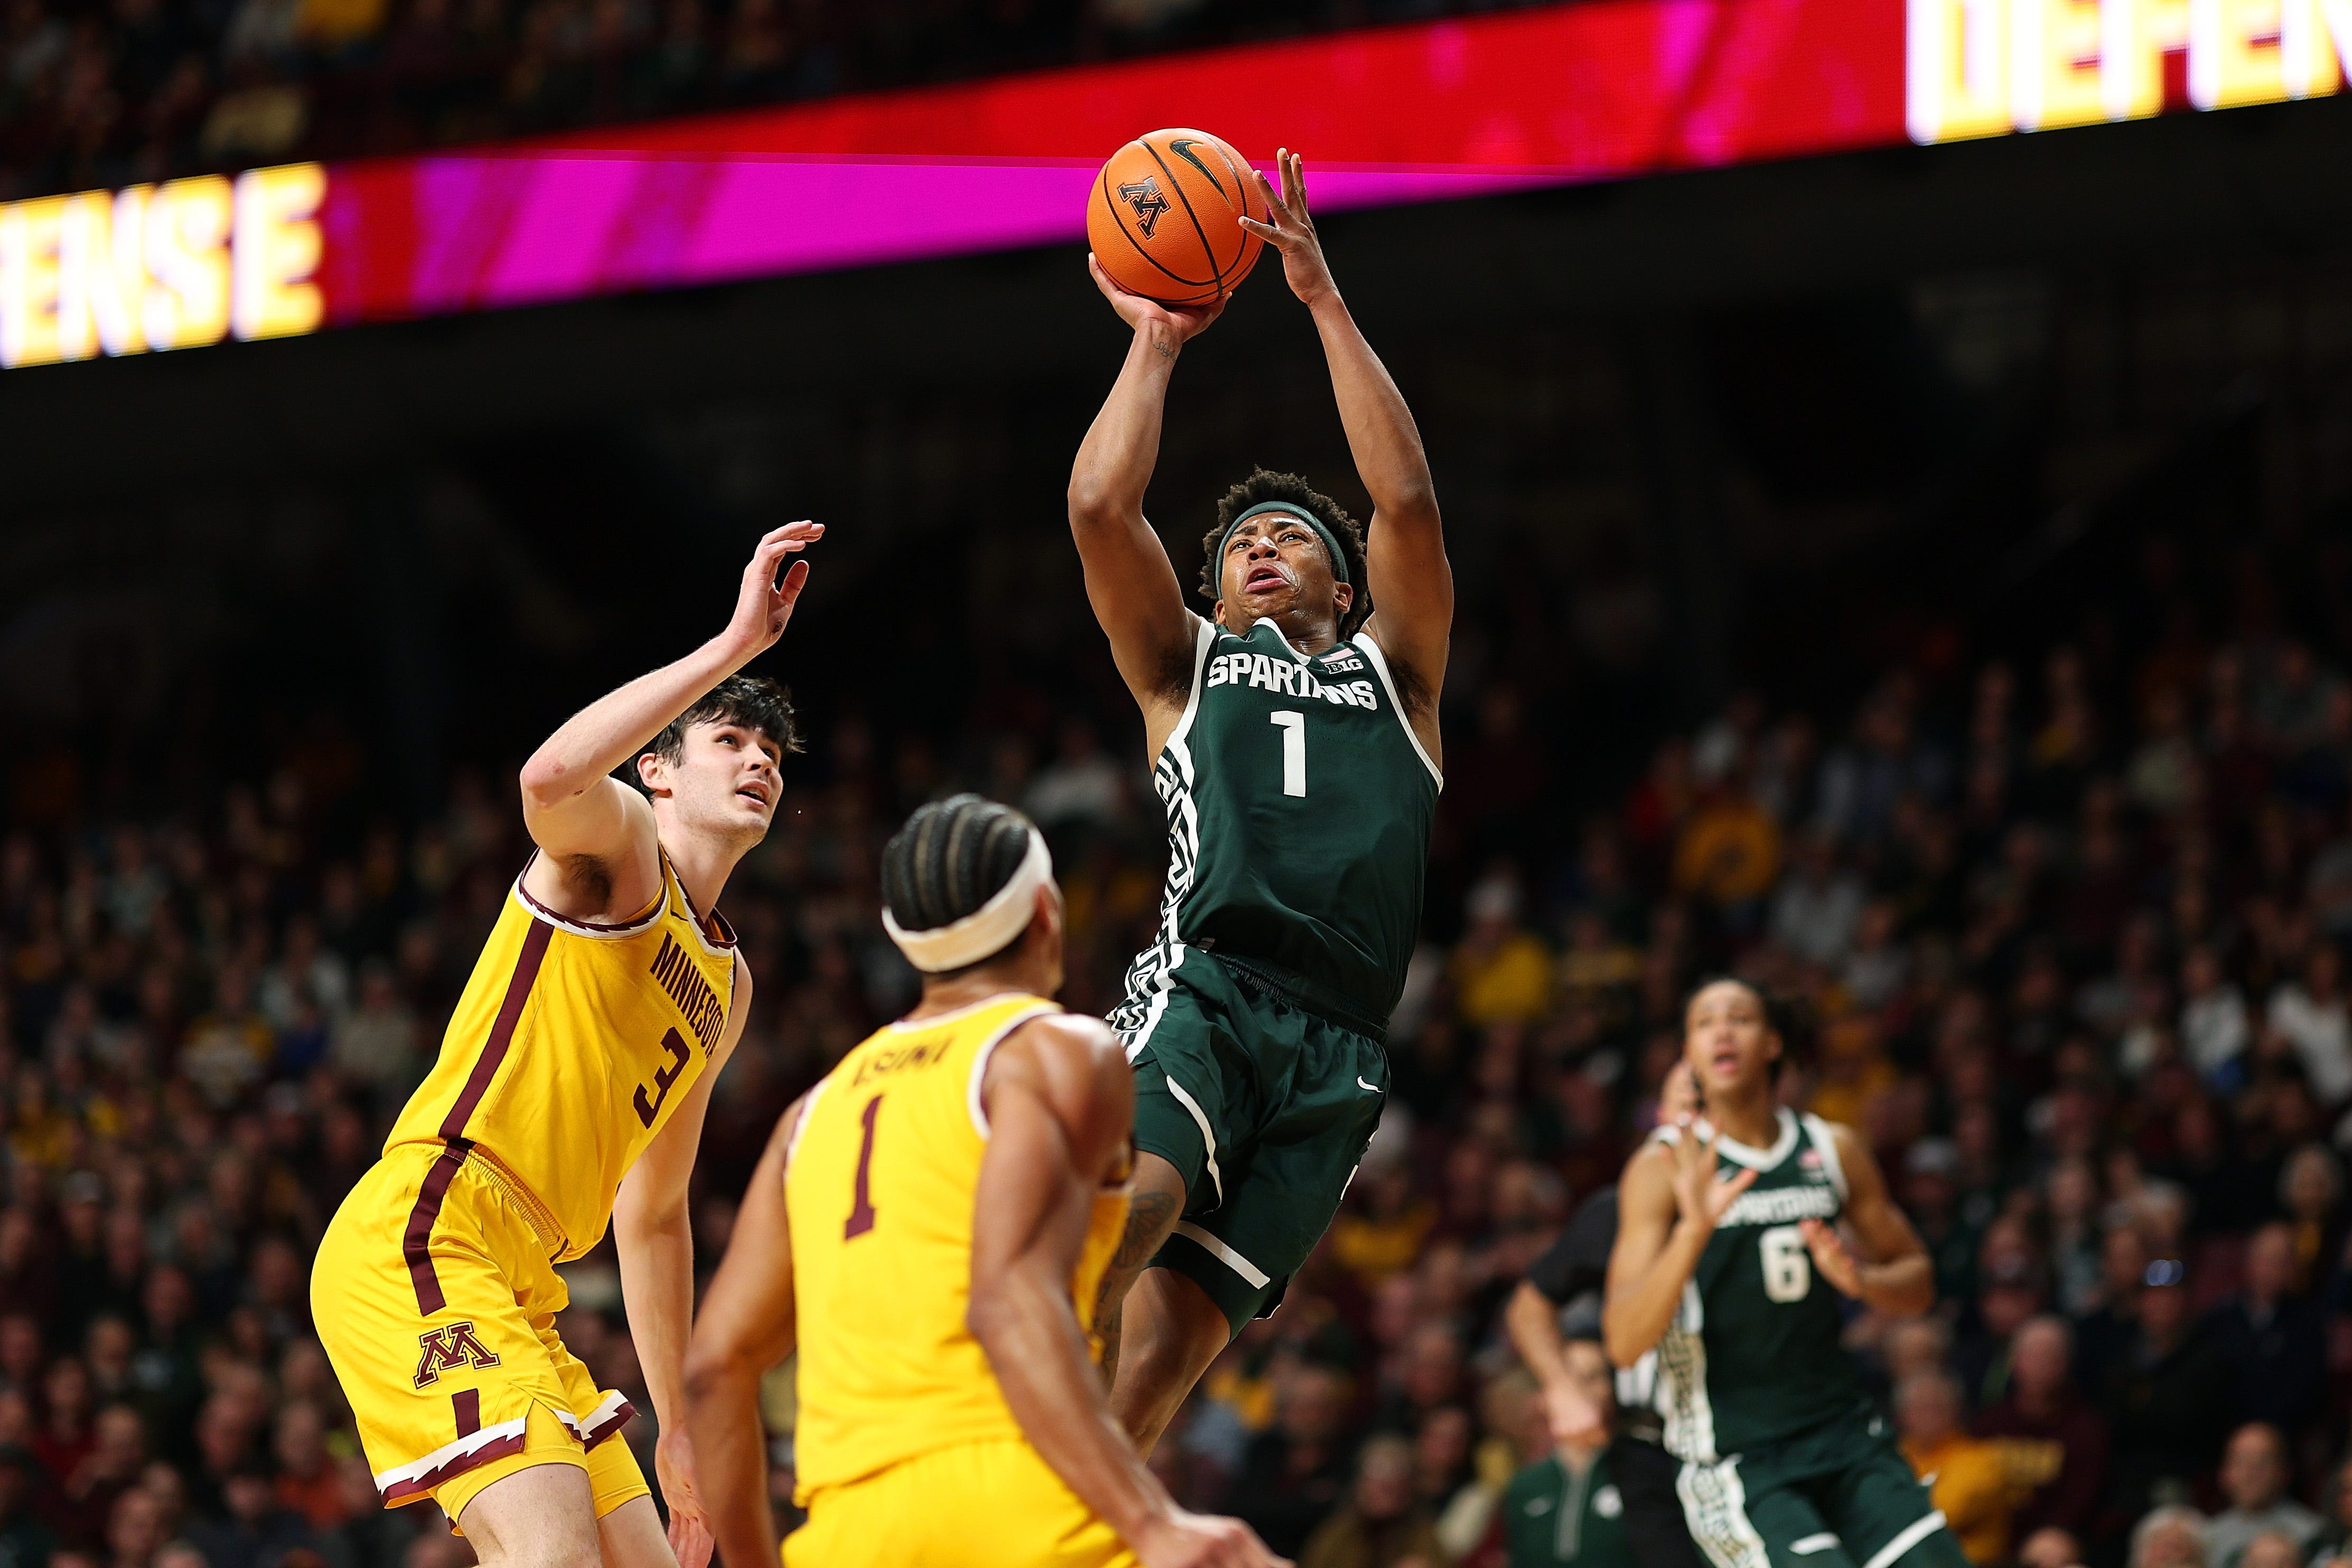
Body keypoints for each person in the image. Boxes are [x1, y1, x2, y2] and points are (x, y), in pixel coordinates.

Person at [309, 521, 824, 1565]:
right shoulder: (622, 846)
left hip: (522, 1278)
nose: (759, 761)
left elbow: (658, 1210)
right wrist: (732, 648)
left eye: (771, 753)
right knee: (551, 1555)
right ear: (660, 770)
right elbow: (548, 781)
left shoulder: (726, 980)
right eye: (731, 741)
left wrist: (677, 1422)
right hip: (429, 1223)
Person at [1066, 146, 1452, 1452]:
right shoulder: (1189, 665)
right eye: (1240, 544)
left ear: (1346, 589)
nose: (1262, 547)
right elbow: (1098, 503)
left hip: (1342, 1048)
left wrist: (1324, 299)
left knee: (1164, 1370)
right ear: (1216, 591)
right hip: (1211, 990)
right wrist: (1159, 346)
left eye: (1294, 537)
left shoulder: (1399, 678)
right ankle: (961, 1482)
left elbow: (1403, 497)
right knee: (1126, 1218)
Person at [680, 795, 1280, 1568]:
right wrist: (1152, 1520)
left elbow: (714, 1370)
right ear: (1045, 913)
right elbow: (1008, 1296)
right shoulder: (1055, 1049)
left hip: (845, 1532)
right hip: (1015, 1499)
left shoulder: (812, 1112)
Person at [1604, 978, 1967, 1568]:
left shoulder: (1833, 1148)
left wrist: (1862, 1282)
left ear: (1773, 1043)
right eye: (1704, 1022)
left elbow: (1919, 1284)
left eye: (1740, 1017)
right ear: (1689, 1052)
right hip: (1737, 1456)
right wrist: (1693, 1230)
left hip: (1846, 1435)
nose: (1722, 1030)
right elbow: (1623, 1341)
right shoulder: (1662, 1165)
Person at [1506, 1066, 1704, 1568]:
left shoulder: (1774, 1198)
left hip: (1750, 1428)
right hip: (1652, 1445)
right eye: (1684, 1107)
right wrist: (1562, 1388)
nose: (1694, 1123)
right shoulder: (1614, 1213)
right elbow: (1529, 1307)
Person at [1500, 1334, 1639, 1568]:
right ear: (1543, 1396)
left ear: (1614, 1389)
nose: (1579, 1389)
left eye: (1593, 1377)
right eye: (1568, 1377)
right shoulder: (1524, 1486)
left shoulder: (1643, 1473)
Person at [2202, 1424, 2321, 1568]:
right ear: (2223, 1473)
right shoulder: (2207, 1537)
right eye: (2240, 1462)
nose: (2249, 1474)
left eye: (2262, 1463)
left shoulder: (2313, 1536)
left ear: (2285, 1471)